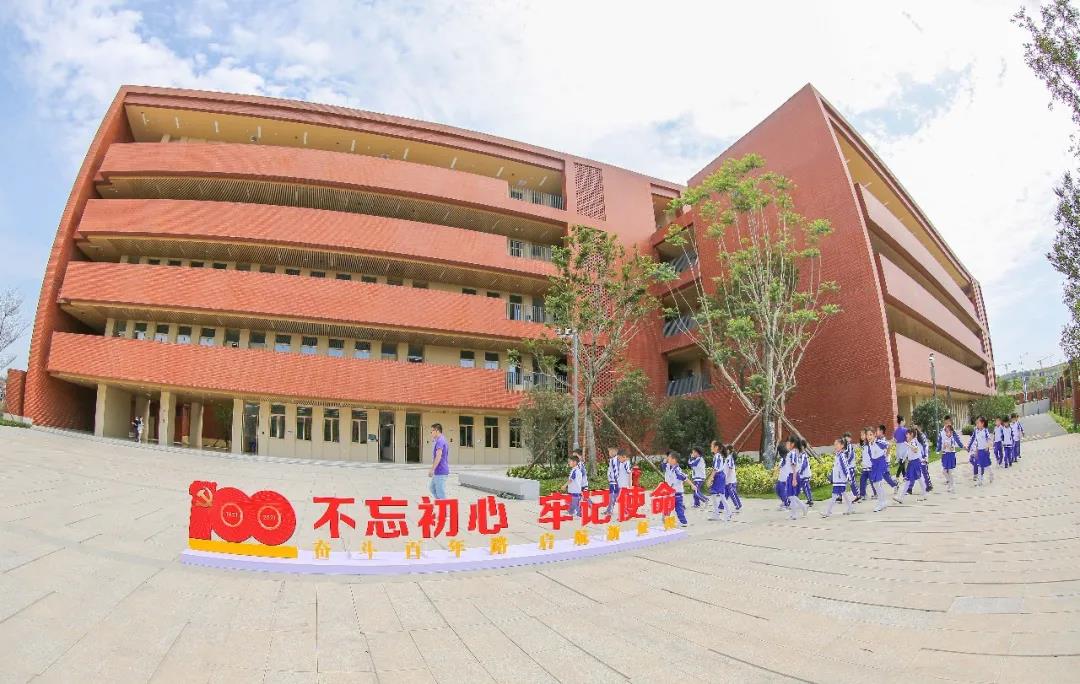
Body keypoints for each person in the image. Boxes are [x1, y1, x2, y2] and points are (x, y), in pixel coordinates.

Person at [822, 438, 855, 517]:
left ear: (842, 445)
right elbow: (836, 468)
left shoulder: (842, 456)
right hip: (837, 479)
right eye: (835, 444)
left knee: (834, 495)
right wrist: (831, 476)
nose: (835, 446)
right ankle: (851, 508)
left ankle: (828, 511)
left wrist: (848, 477)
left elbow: (845, 467)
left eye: (837, 444)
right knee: (843, 493)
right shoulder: (837, 456)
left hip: (840, 479)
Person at [894, 429, 926, 503]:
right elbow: (909, 453)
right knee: (912, 479)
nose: (906, 435)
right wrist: (902, 459)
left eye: (907, 434)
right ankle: (901, 498)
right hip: (912, 463)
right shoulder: (911, 442)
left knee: (917, 478)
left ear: (911, 434)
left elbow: (915, 450)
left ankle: (924, 494)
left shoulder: (913, 442)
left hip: (915, 463)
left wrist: (908, 444)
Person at [869, 425, 896, 512]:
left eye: (871, 434)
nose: (869, 437)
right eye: (868, 435)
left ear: (874, 435)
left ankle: (881, 503)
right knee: (875, 484)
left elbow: (889, 445)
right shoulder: (870, 443)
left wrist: (886, 455)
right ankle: (883, 502)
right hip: (875, 464)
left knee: (877, 483)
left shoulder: (879, 442)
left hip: (880, 463)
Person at [663, 451, 692, 527]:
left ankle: (682, 522)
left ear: (674, 460)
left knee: (676, 508)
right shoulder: (668, 466)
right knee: (672, 507)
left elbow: (684, 478)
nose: (667, 459)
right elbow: (663, 465)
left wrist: (692, 485)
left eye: (669, 458)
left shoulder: (677, 470)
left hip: (676, 492)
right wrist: (666, 459)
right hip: (671, 491)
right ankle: (681, 522)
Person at [937, 416, 964, 494]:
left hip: (951, 454)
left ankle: (951, 485)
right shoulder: (942, 432)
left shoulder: (952, 433)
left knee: (949, 471)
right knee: (944, 471)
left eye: (949, 423)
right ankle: (950, 483)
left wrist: (962, 446)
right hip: (944, 453)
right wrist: (939, 450)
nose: (947, 424)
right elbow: (939, 442)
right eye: (946, 423)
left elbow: (957, 441)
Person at [783, 438, 808, 520]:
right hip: (792, 475)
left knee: (791, 496)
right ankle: (803, 507)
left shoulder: (793, 453)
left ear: (792, 444)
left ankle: (794, 514)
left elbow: (794, 466)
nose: (786, 445)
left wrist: (794, 479)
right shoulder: (793, 452)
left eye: (787, 443)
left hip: (793, 475)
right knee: (791, 496)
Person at [967, 416, 993, 486]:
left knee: (987, 466)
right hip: (979, 451)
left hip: (985, 451)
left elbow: (989, 439)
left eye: (978, 423)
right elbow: (976, 441)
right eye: (976, 423)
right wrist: (976, 450)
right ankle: (980, 481)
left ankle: (991, 474)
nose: (977, 424)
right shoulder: (976, 431)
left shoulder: (985, 431)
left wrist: (987, 446)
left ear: (982, 423)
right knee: (979, 465)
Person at [707, 444, 730, 521]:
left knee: (721, 495)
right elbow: (715, 468)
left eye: (712, 446)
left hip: (719, 476)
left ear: (716, 447)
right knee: (714, 495)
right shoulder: (717, 456)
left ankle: (728, 513)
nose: (711, 447)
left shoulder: (717, 456)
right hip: (718, 476)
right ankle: (716, 514)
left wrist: (710, 478)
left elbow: (716, 469)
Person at [428, 423, 450, 499]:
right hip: (438, 471)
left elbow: (438, 456)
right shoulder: (439, 440)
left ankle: (444, 506)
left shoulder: (440, 441)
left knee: (440, 493)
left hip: (441, 471)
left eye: (432, 431)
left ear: (437, 431)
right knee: (432, 488)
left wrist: (432, 469)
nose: (431, 433)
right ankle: (440, 503)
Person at [857, 428, 877, 503]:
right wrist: (860, 459)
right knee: (862, 480)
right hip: (865, 467)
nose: (862, 436)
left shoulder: (871, 444)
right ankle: (863, 495)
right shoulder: (864, 445)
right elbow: (865, 454)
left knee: (872, 481)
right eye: (861, 435)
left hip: (870, 467)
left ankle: (876, 493)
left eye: (863, 435)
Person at [722, 443, 742, 513]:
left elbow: (730, 468)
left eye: (725, 450)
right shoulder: (728, 458)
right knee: (726, 493)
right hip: (728, 479)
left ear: (728, 450)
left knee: (731, 492)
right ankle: (721, 506)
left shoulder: (729, 458)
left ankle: (737, 505)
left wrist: (727, 477)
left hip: (730, 479)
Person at [795, 439, 814, 507]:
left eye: (800, 446)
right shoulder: (799, 454)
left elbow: (804, 464)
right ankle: (808, 500)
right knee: (801, 487)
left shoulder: (804, 455)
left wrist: (800, 471)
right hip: (801, 474)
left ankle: (810, 500)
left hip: (805, 474)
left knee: (806, 487)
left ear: (803, 446)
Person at [893, 416, 909, 484]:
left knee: (902, 462)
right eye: (904, 420)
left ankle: (904, 477)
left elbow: (895, 440)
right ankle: (897, 477)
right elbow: (908, 438)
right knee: (902, 463)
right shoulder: (905, 430)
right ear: (902, 421)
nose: (905, 422)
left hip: (898, 447)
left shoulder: (896, 430)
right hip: (904, 447)